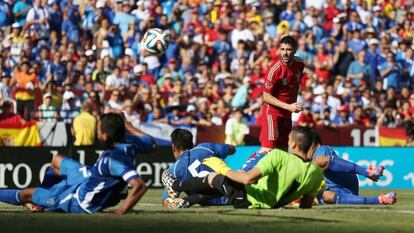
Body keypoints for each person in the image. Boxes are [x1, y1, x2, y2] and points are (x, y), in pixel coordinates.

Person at [0, 113, 156, 215]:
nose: (96, 134)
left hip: (79, 200)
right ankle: (43, 200)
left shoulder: (114, 159)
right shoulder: (129, 140)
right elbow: (151, 143)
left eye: (98, 131)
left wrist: (120, 212)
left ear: (105, 135)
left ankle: (46, 199)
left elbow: (139, 185)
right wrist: (130, 127)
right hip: (88, 177)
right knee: (56, 160)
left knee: (27, 194)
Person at [163, 126, 324, 209]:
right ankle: (185, 199)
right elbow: (305, 205)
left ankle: (177, 185)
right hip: (259, 200)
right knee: (225, 180)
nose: (287, 142)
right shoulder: (317, 174)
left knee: (216, 178)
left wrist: (223, 169)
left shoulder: (278, 155)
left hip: (247, 198)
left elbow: (248, 178)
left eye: (288, 139)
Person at [310, 132, 397, 205]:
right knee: (325, 196)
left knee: (318, 158)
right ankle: (380, 199)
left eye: (308, 146)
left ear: (316, 145)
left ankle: (367, 172)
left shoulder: (320, 150)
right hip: (341, 193)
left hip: (342, 181)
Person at [161, 128, 235, 207]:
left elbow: (166, 202)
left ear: (173, 148)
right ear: (192, 144)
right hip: (230, 195)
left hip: (209, 202)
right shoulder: (205, 147)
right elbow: (232, 149)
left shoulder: (174, 170)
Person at [259, 35, 305, 152]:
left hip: (287, 113)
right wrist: (289, 106)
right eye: (282, 49)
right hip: (272, 112)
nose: (285, 53)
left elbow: (295, 84)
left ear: (295, 50)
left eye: (288, 50)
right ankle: (247, 168)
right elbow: (266, 96)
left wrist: (292, 104)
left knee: (283, 150)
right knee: (267, 150)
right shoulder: (274, 69)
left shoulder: (299, 64)